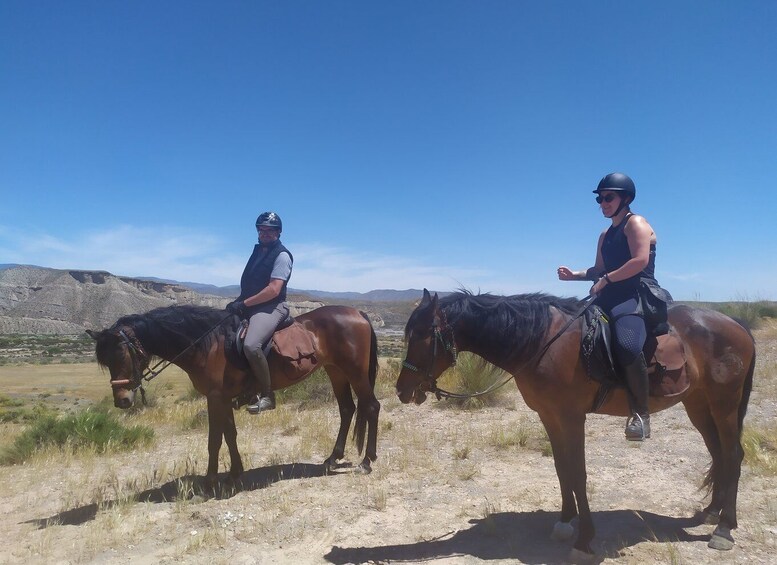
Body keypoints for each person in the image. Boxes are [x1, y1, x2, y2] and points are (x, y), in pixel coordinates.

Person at [557, 172, 672, 441]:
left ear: (625, 198)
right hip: (608, 295)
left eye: (608, 197)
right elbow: (599, 268)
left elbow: (639, 261)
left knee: (628, 344)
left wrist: (605, 279)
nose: (603, 203)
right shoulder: (605, 234)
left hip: (634, 295)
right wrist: (574, 275)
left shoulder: (637, 224)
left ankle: (641, 415)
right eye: (600, 198)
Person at [226, 211, 293, 414]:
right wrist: (238, 302)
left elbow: (274, 289)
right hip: (251, 304)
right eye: (261, 229)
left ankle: (267, 395)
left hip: (272, 307)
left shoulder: (282, 255)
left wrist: (245, 303)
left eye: (270, 230)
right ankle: (246, 389)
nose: (265, 233)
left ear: (278, 232)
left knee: (251, 344)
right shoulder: (258, 252)